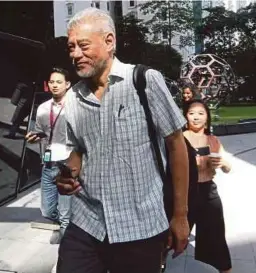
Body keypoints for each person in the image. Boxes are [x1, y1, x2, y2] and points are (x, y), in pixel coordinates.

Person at [55, 8, 190, 273]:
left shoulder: (144, 82)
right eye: (71, 47)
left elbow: (176, 145)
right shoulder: (73, 98)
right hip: (87, 222)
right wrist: (66, 176)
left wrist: (180, 215)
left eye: (83, 45)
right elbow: (79, 150)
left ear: (109, 42)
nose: (75, 54)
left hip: (140, 226)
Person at [182, 99, 232, 273]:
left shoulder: (213, 140)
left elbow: (228, 168)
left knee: (216, 237)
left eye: (201, 113)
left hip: (208, 192)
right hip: (185, 193)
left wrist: (222, 162)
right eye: (192, 113)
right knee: (174, 236)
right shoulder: (179, 139)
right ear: (185, 116)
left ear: (207, 118)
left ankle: (224, 269)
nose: (196, 117)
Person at [25, 68, 72, 243]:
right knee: (47, 210)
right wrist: (34, 138)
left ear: (67, 85)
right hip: (48, 163)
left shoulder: (74, 107)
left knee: (66, 216)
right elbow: (41, 133)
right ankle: (71, 227)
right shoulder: (43, 108)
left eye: (59, 82)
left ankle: (66, 256)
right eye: (52, 82)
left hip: (66, 165)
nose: (54, 85)